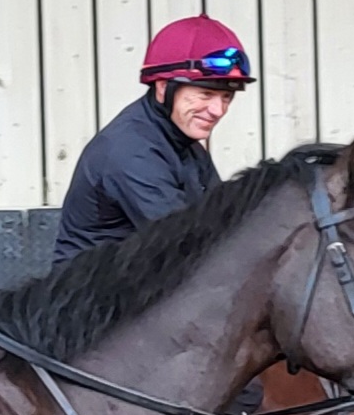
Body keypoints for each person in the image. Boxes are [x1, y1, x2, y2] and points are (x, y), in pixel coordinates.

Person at [51, 16, 253, 262]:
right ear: (162, 87)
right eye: (206, 93)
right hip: (97, 295)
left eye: (226, 97)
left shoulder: (184, 143)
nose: (218, 110)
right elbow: (187, 242)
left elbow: (225, 219)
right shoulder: (130, 151)